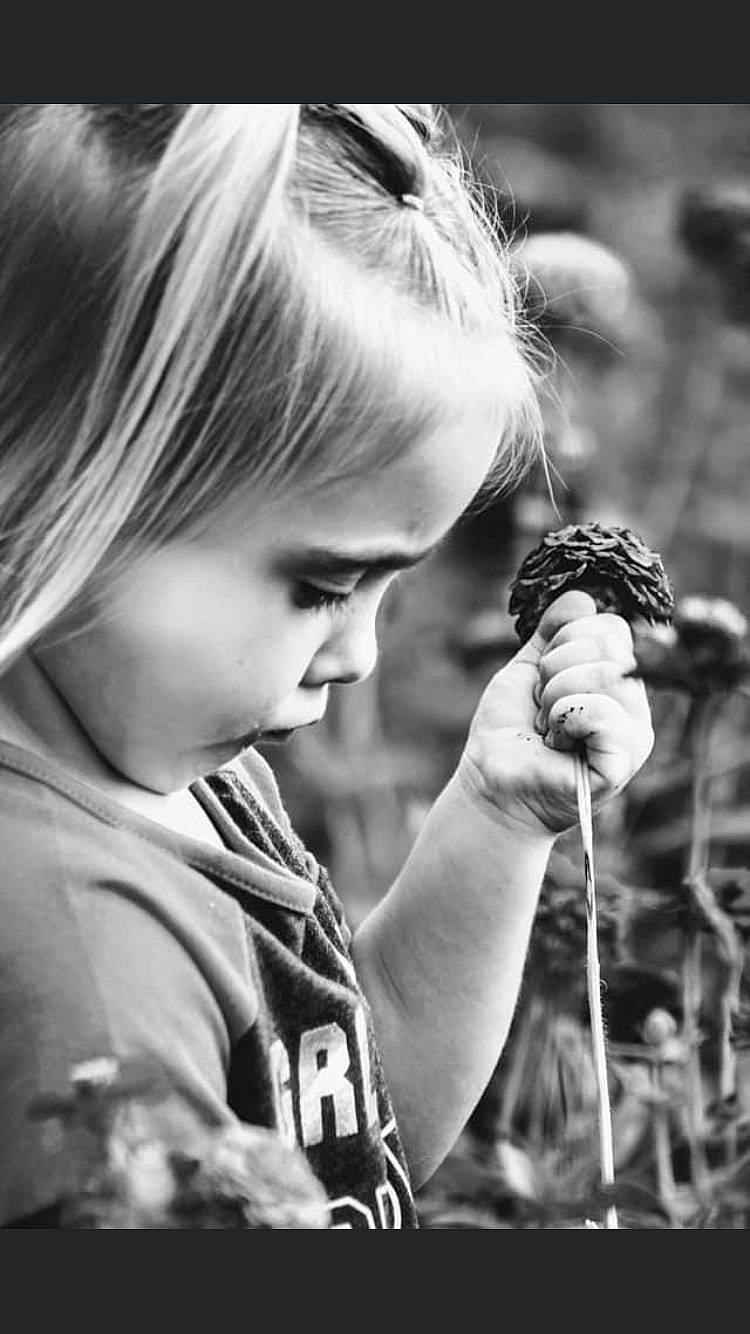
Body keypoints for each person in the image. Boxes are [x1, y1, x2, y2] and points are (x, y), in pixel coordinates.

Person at [0, 104, 654, 1229]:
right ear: (58, 486)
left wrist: (497, 817)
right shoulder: (80, 972)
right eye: (318, 586)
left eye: (391, 586)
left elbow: (348, 1125)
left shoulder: (164, 761)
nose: (358, 655)